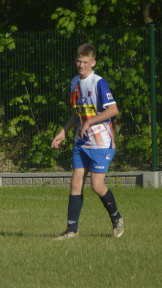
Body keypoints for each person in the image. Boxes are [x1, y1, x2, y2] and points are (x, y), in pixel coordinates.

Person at [50, 43, 124, 239]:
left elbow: (113, 110)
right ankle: (71, 230)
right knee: (76, 182)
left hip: (101, 142)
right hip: (81, 141)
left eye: (85, 62)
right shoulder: (75, 82)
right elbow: (77, 113)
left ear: (93, 63)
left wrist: (90, 122)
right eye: (78, 61)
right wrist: (63, 131)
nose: (81, 65)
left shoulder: (99, 82)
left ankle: (117, 218)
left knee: (97, 185)